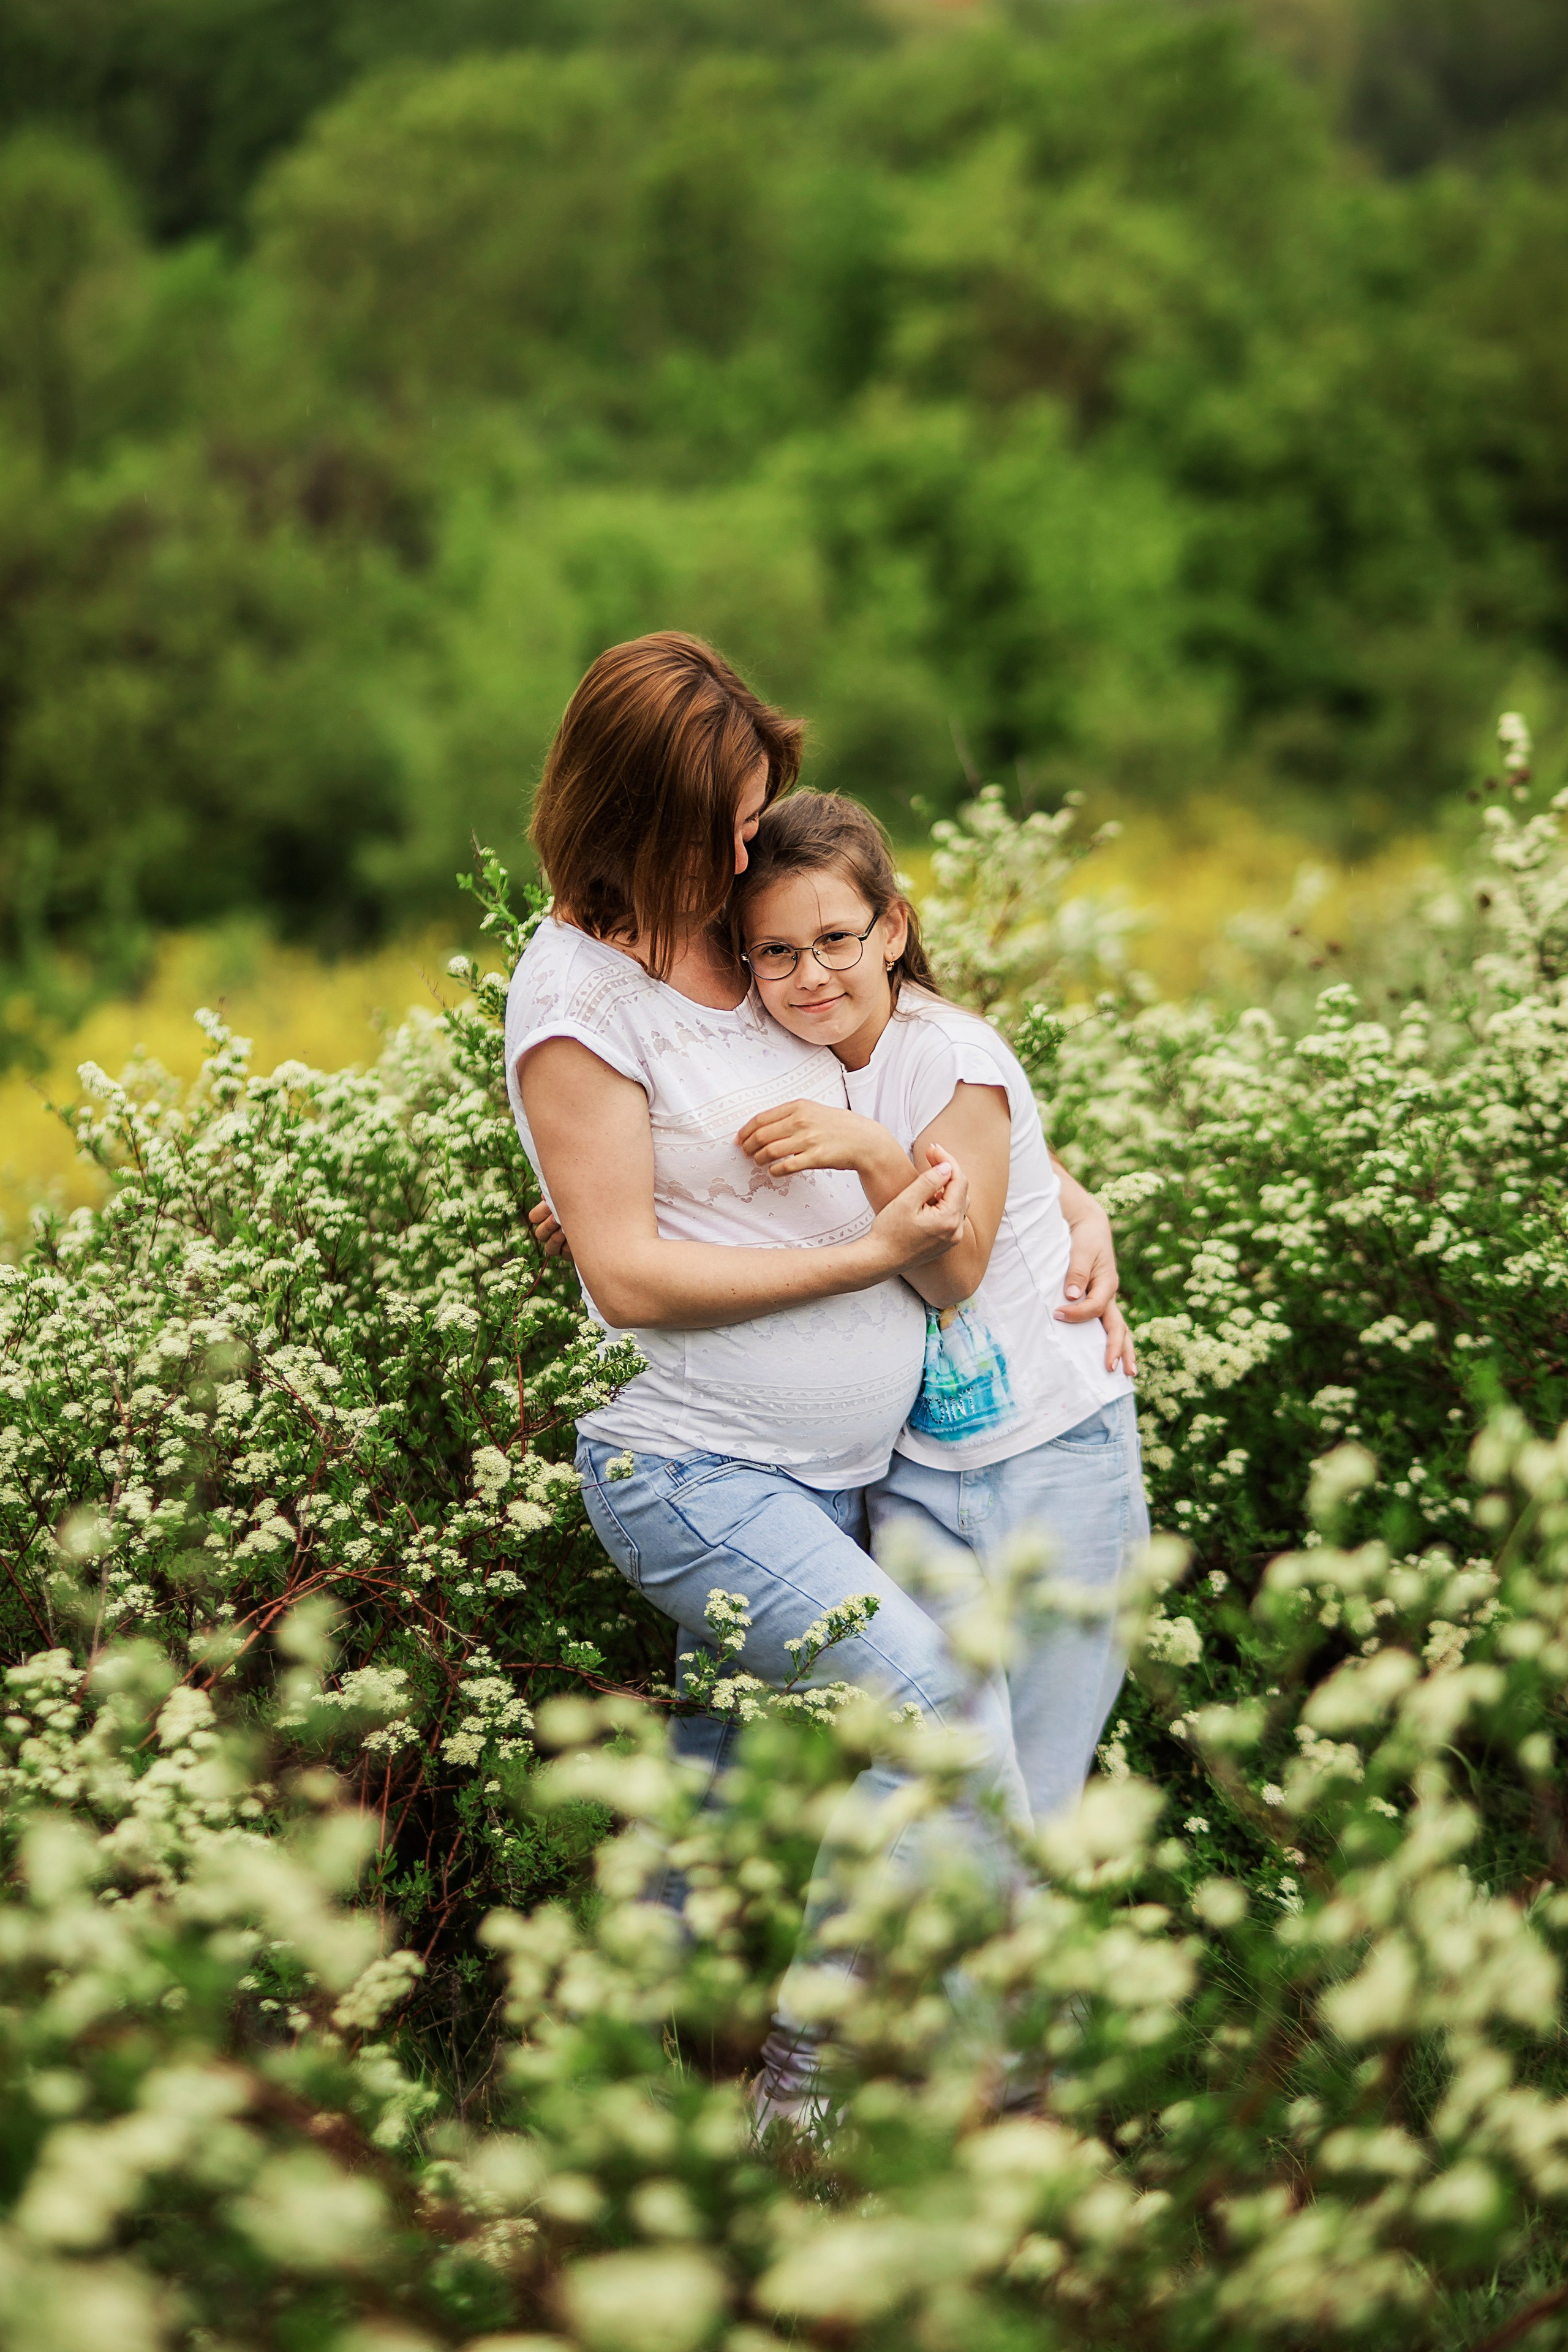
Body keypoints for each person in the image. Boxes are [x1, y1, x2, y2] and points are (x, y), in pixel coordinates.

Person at [730, 789, 1148, 1829]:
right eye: (774, 952)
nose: (809, 974)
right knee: (941, 1760)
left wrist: (872, 1153)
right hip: (915, 1473)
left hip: (1054, 1449)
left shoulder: (950, 1053)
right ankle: (854, 1992)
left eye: (835, 938)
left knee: (1033, 1788)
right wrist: (581, 1212)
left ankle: (995, 1992)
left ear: (893, 928)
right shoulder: (792, 1053)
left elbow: (953, 1271)